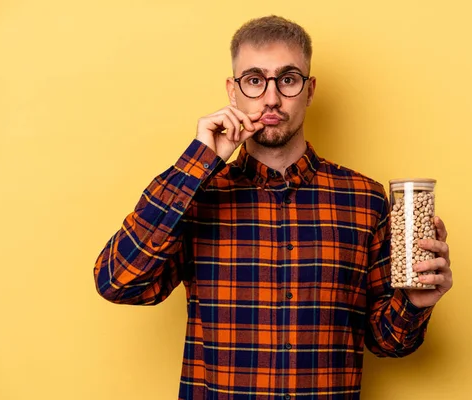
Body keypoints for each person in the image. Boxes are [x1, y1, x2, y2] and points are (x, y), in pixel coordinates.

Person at [93, 15, 453, 400]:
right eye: (254, 80)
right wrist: (197, 162)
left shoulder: (364, 199)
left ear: (309, 89)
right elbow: (118, 282)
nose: (271, 98)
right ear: (233, 91)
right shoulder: (198, 195)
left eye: (287, 79)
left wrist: (415, 303)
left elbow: (387, 342)